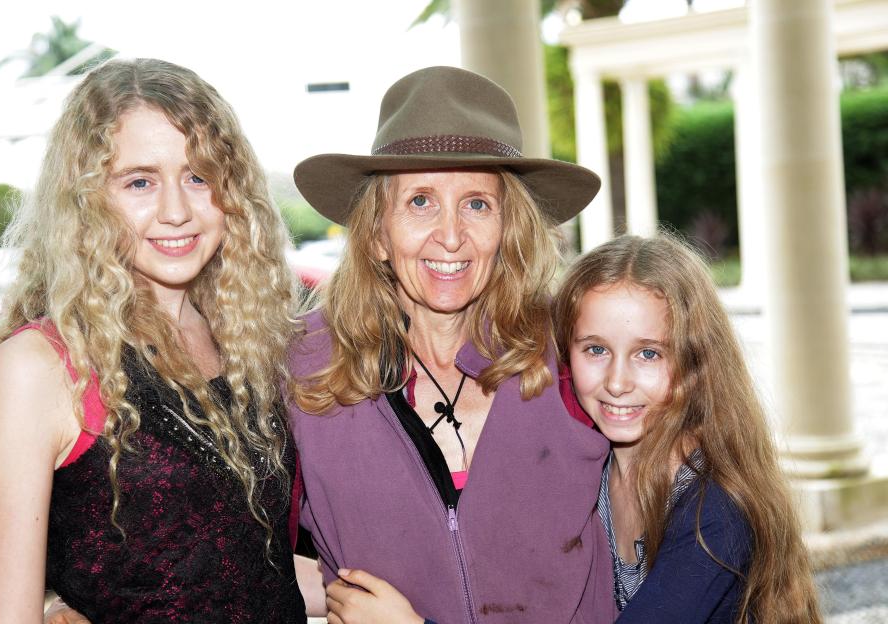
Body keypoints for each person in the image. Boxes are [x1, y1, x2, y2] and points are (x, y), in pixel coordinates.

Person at [0, 58, 315, 622]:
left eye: (199, 177)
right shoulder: (40, 367)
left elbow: (243, 561)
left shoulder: (251, 343)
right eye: (139, 182)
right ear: (85, 201)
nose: (177, 211)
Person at [289, 66, 616, 624]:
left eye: (477, 203)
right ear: (375, 234)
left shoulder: (577, 351)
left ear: (508, 227)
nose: (450, 235)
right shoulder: (304, 372)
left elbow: (677, 513)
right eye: (420, 201)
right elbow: (256, 565)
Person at [550, 234, 822, 623]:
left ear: (696, 365)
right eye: (596, 349)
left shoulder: (714, 513)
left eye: (649, 353)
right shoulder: (587, 474)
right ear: (565, 355)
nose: (617, 381)